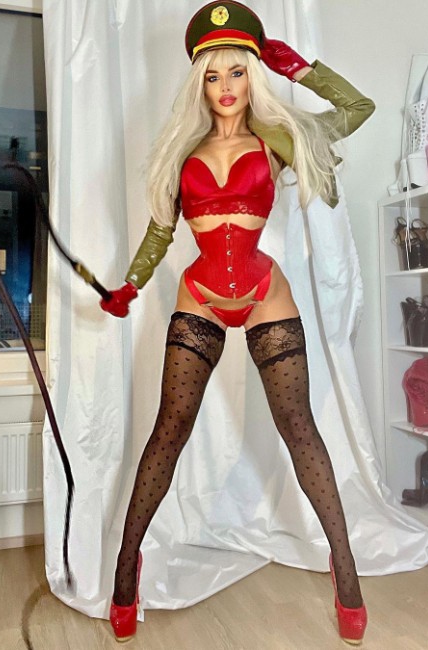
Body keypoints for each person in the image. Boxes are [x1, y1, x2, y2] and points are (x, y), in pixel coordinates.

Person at [100, 1, 375, 644]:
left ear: (254, 75)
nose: (225, 87)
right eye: (212, 75)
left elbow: (357, 110)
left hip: (262, 290)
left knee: (299, 427)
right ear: (198, 83)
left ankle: (347, 570)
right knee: (169, 429)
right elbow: (161, 232)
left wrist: (302, 70)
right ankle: (126, 566)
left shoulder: (277, 140)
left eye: (237, 72)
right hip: (200, 293)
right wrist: (131, 285)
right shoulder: (182, 151)